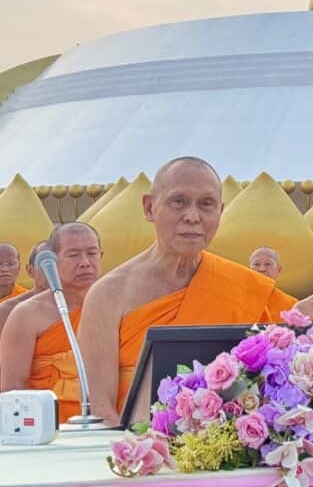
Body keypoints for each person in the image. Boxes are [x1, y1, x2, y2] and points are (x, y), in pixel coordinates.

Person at [78, 156, 297, 424]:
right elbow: (99, 410)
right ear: (149, 208)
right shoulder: (108, 294)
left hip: (231, 452)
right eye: (178, 201)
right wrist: (140, 454)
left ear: (220, 211)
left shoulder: (245, 287)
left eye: (206, 204)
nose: (192, 217)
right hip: (139, 453)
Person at [0, 224, 102, 423]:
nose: (85, 263)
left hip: (107, 423)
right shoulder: (26, 315)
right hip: (48, 429)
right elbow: (13, 391)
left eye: (92, 253)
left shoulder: (115, 305)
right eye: (73, 255)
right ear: (53, 261)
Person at [0, 240, 51, 339]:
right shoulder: (8, 308)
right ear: (30, 270)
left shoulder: (27, 303)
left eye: (11, 264)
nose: (5, 269)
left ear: (19, 267)